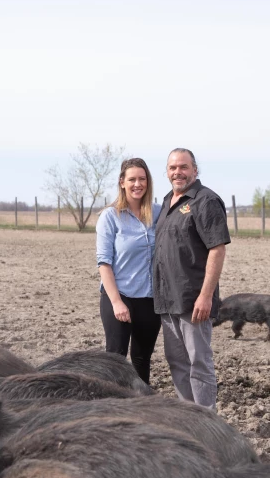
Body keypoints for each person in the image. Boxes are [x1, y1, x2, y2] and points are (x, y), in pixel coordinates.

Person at [152, 148, 230, 409]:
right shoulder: (167, 202)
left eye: (183, 167)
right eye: (173, 168)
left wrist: (206, 296)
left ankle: (206, 419)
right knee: (177, 363)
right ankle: (189, 417)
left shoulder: (206, 201)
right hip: (167, 300)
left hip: (193, 300)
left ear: (195, 170)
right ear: (167, 172)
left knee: (198, 363)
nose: (178, 172)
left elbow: (217, 249)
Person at [95, 157, 162, 384]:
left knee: (142, 359)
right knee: (115, 359)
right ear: (122, 182)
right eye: (132, 179)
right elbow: (104, 263)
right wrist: (116, 302)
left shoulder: (159, 213)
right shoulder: (110, 216)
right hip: (119, 295)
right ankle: (110, 401)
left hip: (149, 298)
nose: (137, 184)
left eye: (142, 179)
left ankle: (140, 402)